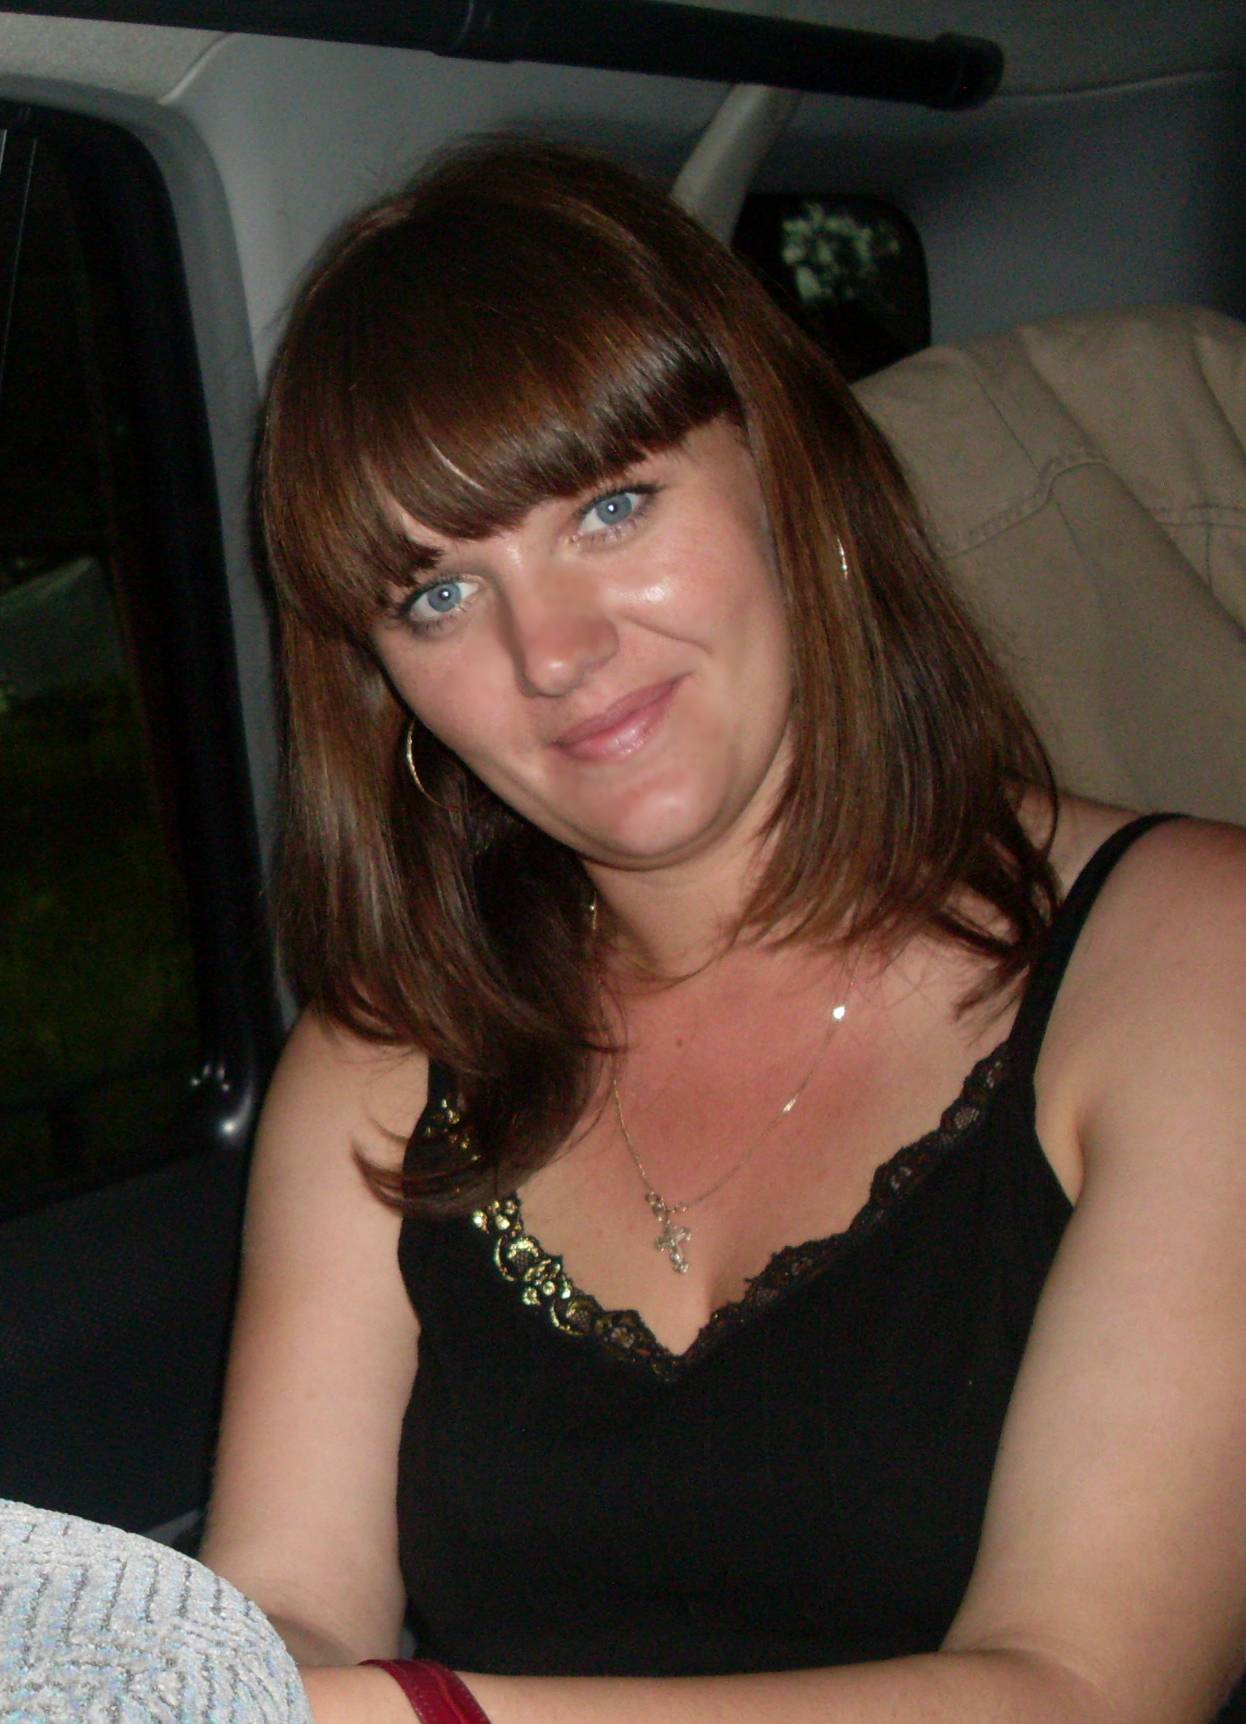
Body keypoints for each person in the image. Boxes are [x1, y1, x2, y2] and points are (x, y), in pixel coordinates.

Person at [200, 137, 1246, 1724]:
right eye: (437, 595)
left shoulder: (1190, 958)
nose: (552, 652)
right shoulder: (386, 1052)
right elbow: (290, 1597)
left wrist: (425, 1718)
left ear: (791, 481)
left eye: (610, 508)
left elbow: (1085, 1687)